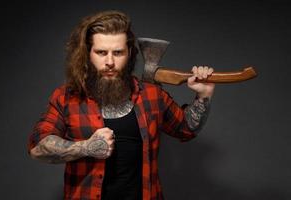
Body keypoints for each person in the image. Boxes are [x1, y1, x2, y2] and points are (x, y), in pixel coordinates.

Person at [27, 10, 215, 200]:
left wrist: (203, 95)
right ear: (87, 53)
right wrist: (85, 148)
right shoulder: (67, 97)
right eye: (101, 52)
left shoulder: (151, 95)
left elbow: (186, 128)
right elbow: (37, 148)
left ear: (130, 53)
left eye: (118, 53)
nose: (110, 62)